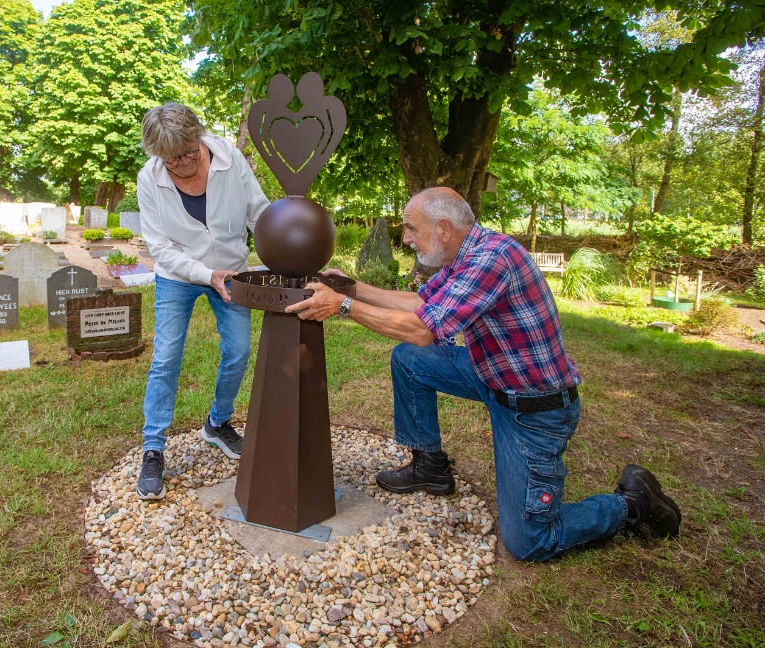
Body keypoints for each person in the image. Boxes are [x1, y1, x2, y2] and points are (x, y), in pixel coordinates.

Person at [285, 187, 681, 561]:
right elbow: (420, 302)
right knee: (409, 360)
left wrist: (340, 306)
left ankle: (631, 504)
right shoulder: (465, 255)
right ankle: (430, 469)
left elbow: (424, 329)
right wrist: (350, 287)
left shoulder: (491, 259)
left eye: (410, 228)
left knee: (530, 540)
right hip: (490, 376)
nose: (406, 238)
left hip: (532, 409)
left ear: (443, 229)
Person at [135, 103, 270, 500]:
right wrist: (203, 274)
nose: (186, 161)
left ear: (200, 136)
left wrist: (284, 244)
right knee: (166, 357)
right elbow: (158, 246)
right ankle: (154, 449)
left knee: (240, 350)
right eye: (175, 158)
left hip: (231, 272)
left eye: (192, 150)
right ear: (158, 155)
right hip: (178, 276)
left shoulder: (231, 160)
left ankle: (217, 422)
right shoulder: (150, 179)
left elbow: (259, 213)